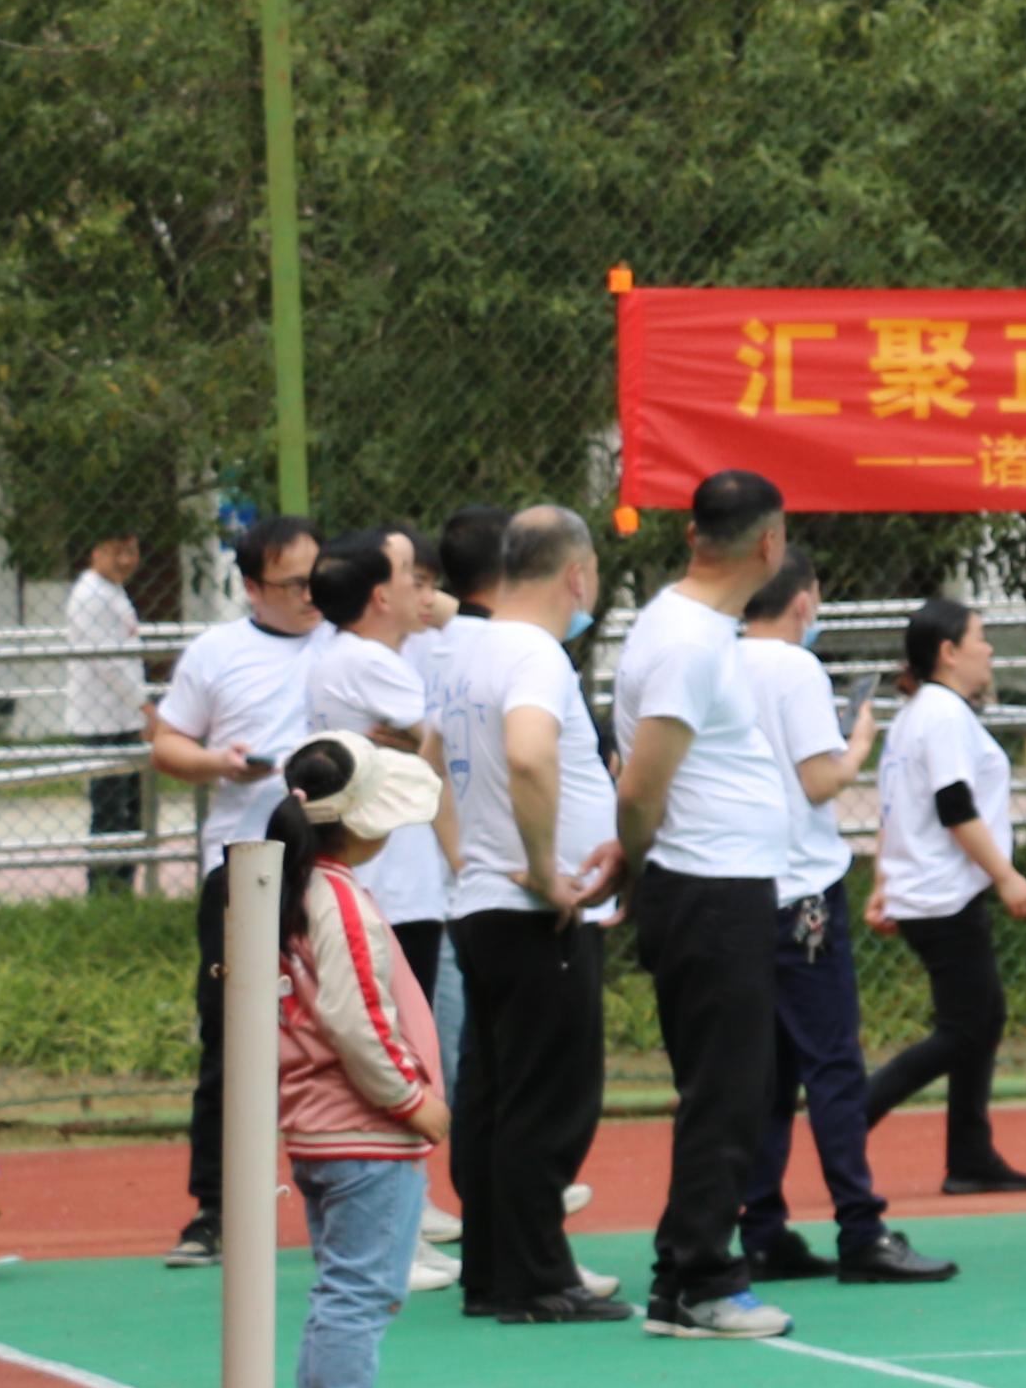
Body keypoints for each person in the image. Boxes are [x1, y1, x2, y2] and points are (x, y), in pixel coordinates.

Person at [606, 471, 810, 1335]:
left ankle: (684, 1274)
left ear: (694, 535)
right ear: (769, 544)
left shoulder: (688, 626)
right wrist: (633, 861)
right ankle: (700, 1279)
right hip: (708, 888)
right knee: (728, 1092)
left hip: (717, 884)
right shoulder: (689, 641)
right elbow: (641, 783)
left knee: (731, 1088)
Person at [425, 505, 619, 1321]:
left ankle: (494, 1270)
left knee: (496, 1090)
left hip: (483, 900)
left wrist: (463, 851)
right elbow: (531, 751)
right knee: (549, 1096)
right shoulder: (535, 652)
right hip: (535, 908)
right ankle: (539, 1278)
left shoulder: (467, 650)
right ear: (575, 574)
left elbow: (431, 758)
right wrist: (545, 870)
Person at [730, 555, 945, 1288]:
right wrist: (857, 743)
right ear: (802, 601)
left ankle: (761, 1225)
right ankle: (860, 1225)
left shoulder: (719, 660)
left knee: (768, 1069)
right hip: (803, 888)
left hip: (743, 885)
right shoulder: (795, 668)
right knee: (832, 1063)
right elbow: (819, 779)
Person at [258, 735, 451, 1388]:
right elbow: (359, 1015)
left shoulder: (293, 889)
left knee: (343, 1286)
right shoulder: (336, 897)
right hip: (364, 1127)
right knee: (360, 1289)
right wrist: (412, 1099)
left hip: (323, 1124)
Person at [151, 513, 323, 1269]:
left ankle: (372, 1202)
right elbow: (167, 743)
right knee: (234, 1039)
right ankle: (217, 1209)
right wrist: (221, 762)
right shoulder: (217, 652)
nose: (312, 596)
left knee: (355, 1033)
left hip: (341, 866)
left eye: (321, 579)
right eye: (294, 584)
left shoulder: (352, 642)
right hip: (246, 865)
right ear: (252, 587)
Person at [300, 527, 456, 1288]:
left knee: (412, 1042)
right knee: (401, 1050)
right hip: (398, 883)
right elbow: (439, 733)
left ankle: (413, 1211)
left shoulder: (356, 655)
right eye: (408, 577)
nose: (423, 590)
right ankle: (400, 1230)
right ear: (378, 596)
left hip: (400, 877)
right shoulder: (367, 659)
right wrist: (417, 744)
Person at [863, 596, 1026, 1196]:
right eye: (979, 638)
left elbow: (897, 807)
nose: (988, 650)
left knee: (980, 1018)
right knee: (966, 1027)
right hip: (942, 895)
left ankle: (970, 1155)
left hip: (931, 890)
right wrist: (1006, 875)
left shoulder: (920, 713)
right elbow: (953, 805)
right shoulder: (941, 714)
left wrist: (883, 882)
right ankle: (851, 1115)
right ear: (948, 652)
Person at [69, 532, 150, 896]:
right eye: (118, 551)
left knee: (129, 810)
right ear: (96, 551)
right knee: (109, 812)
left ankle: (122, 887)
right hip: (102, 720)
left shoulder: (112, 591)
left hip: (122, 715)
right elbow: (109, 662)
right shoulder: (91, 595)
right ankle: (105, 891)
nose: (126, 560)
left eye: (131, 551)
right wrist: (145, 706)